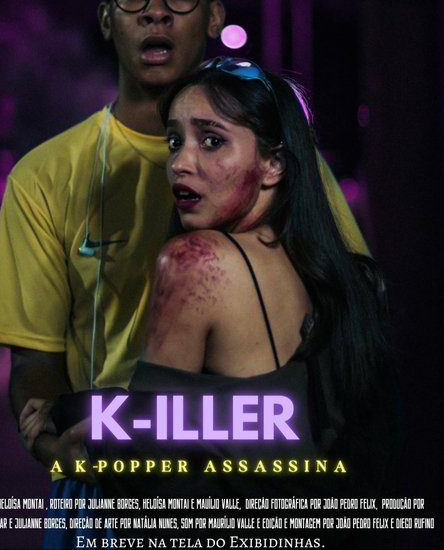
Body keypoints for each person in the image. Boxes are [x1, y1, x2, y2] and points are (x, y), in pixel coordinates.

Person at [0, 0, 369, 546]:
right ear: (106, 18)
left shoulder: (287, 167)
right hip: (111, 486)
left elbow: (349, 327)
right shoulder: (43, 176)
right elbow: (35, 365)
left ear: (214, 16)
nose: (155, 9)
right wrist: (58, 443)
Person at [57, 58, 398, 547]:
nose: (181, 162)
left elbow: (149, 473)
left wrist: (88, 446)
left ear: (274, 164)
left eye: (212, 140)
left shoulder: (196, 261)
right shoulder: (342, 278)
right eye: (174, 141)